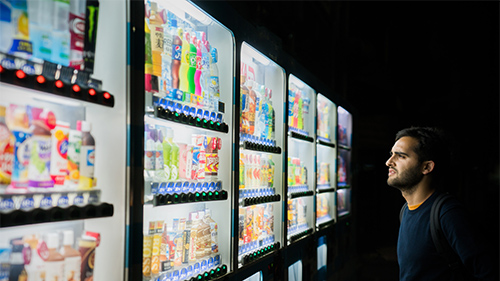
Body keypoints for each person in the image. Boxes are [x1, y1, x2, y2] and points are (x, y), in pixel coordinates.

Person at [385, 126, 497, 281]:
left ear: (427, 167)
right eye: (391, 155)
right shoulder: (405, 210)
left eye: (401, 156)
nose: (389, 162)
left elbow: (488, 272)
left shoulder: (448, 213)